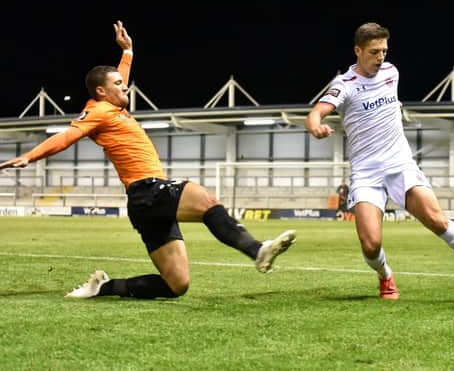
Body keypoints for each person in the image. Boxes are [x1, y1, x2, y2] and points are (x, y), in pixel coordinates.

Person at [0, 21, 296, 300]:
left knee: (176, 284)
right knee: (205, 200)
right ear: (102, 91)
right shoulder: (99, 111)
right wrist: (30, 155)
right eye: (118, 83)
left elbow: (119, 79)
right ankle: (257, 250)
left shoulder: (113, 106)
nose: (125, 85)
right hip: (147, 191)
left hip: (145, 203)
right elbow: (66, 137)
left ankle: (104, 287)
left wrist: (127, 51)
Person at [305, 22, 454, 301]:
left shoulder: (392, 72)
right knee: (370, 243)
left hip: (400, 164)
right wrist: (316, 126)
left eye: (384, 51)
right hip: (366, 173)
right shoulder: (344, 84)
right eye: (374, 51)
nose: (381, 57)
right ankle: (385, 276)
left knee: (437, 220)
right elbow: (316, 112)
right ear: (358, 50)